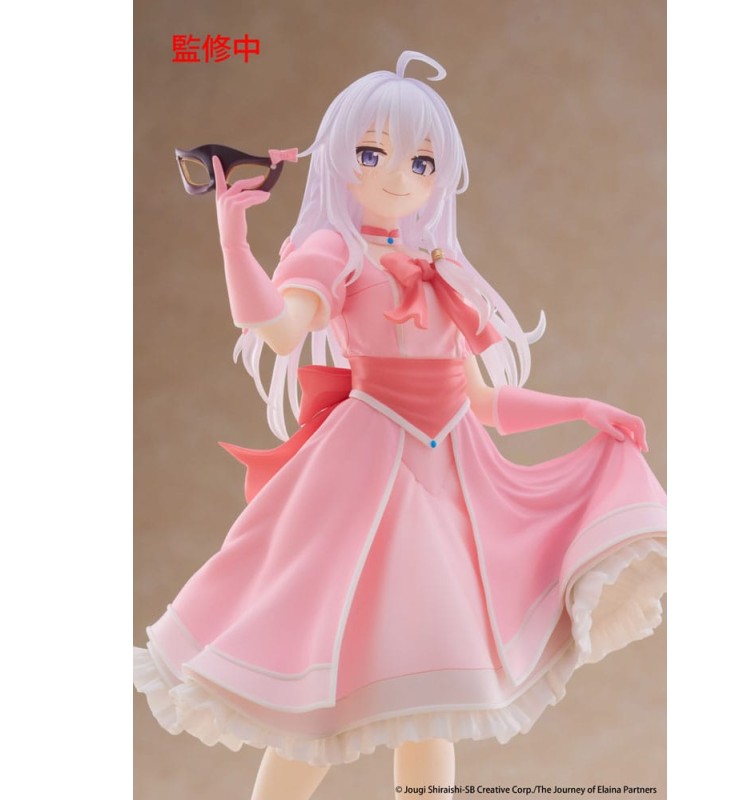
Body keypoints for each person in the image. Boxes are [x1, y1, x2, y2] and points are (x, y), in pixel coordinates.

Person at [134, 51, 667, 800]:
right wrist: (232, 242)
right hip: (369, 478)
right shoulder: (334, 250)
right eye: (371, 154)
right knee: (323, 695)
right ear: (338, 159)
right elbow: (279, 329)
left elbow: (483, 401)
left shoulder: (437, 262)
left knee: (432, 699)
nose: (397, 177)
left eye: (421, 162)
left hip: (451, 481)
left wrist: (581, 409)